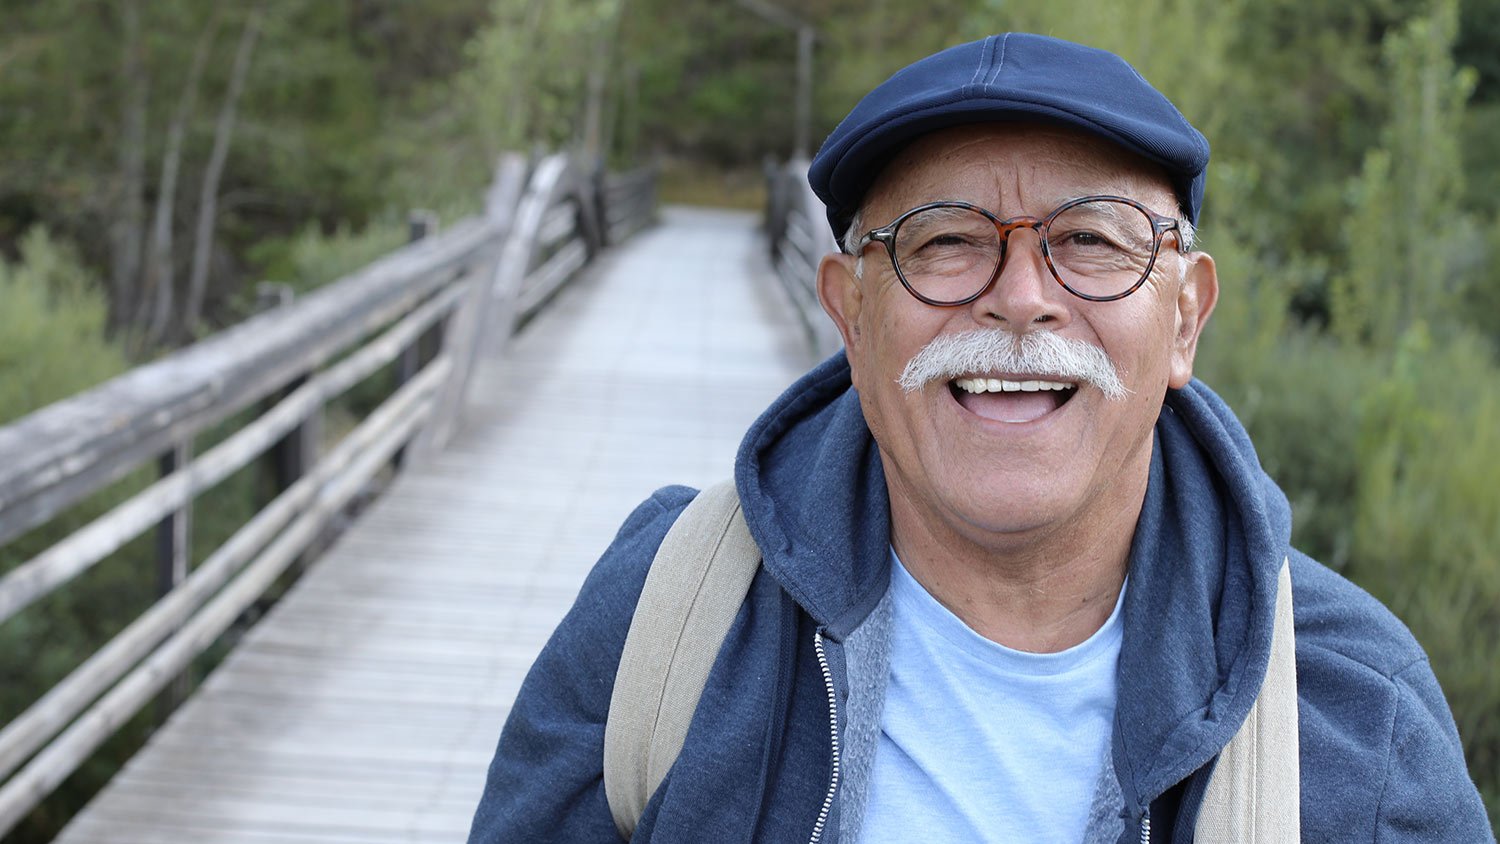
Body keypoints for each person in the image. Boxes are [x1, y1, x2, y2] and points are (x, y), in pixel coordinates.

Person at [467, 33, 1493, 843]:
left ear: (1185, 318)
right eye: (946, 240)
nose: (1021, 299)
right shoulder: (670, 610)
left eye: (1091, 240)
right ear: (851, 314)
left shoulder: (1354, 709)